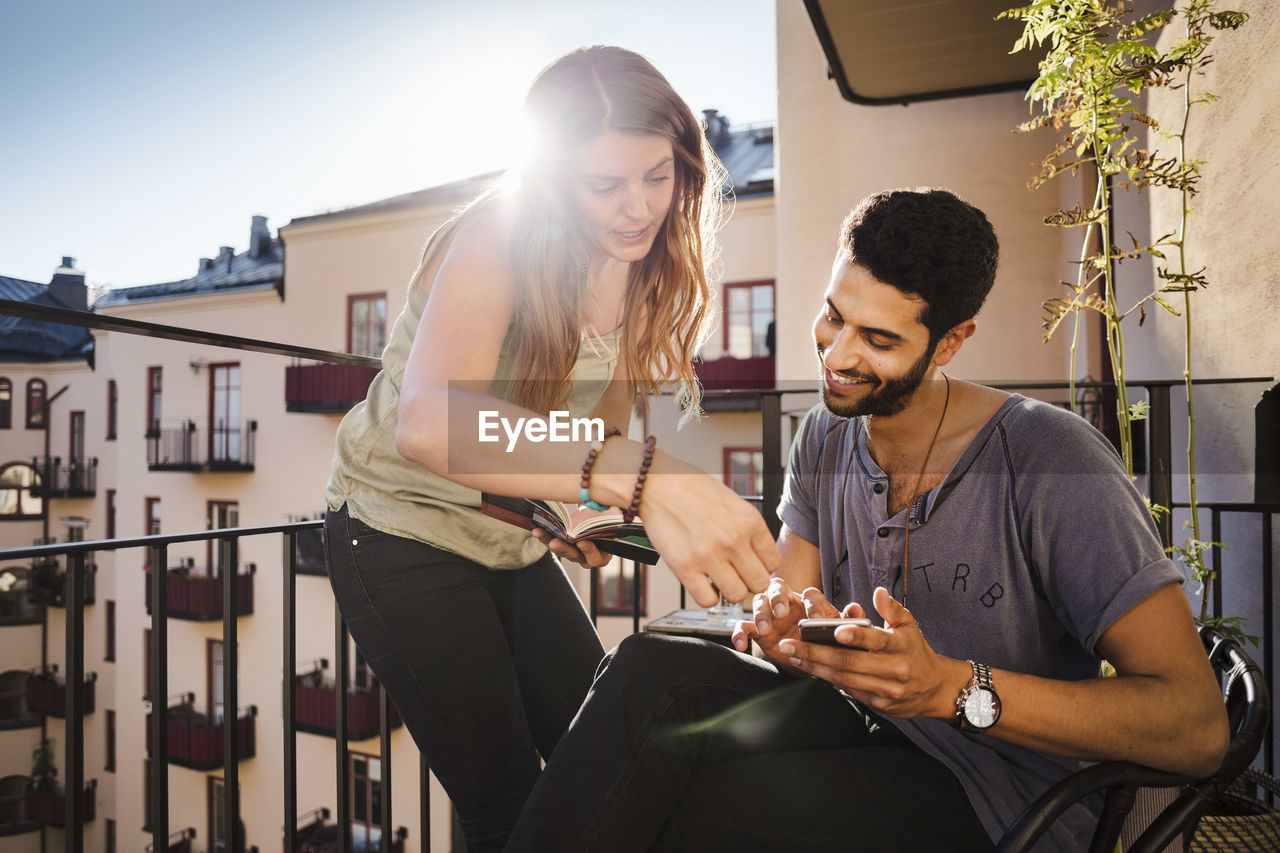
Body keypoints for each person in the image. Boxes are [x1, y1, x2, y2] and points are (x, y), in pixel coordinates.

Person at [504, 188, 1229, 851]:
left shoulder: (1050, 461)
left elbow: (1195, 726)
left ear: (949, 342)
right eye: (833, 315)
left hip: (997, 795)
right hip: (863, 724)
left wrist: (946, 685)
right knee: (649, 671)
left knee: (700, 807)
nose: (838, 355)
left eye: (878, 340)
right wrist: (787, 624)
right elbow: (785, 608)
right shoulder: (827, 433)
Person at [322, 46, 777, 852]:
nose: (636, 208)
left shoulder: (642, 262)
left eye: (657, 176)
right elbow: (427, 421)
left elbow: (592, 430)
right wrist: (647, 476)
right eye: (603, 184)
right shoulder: (500, 233)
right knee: (504, 802)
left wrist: (580, 507)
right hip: (398, 529)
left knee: (600, 756)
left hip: (509, 534)